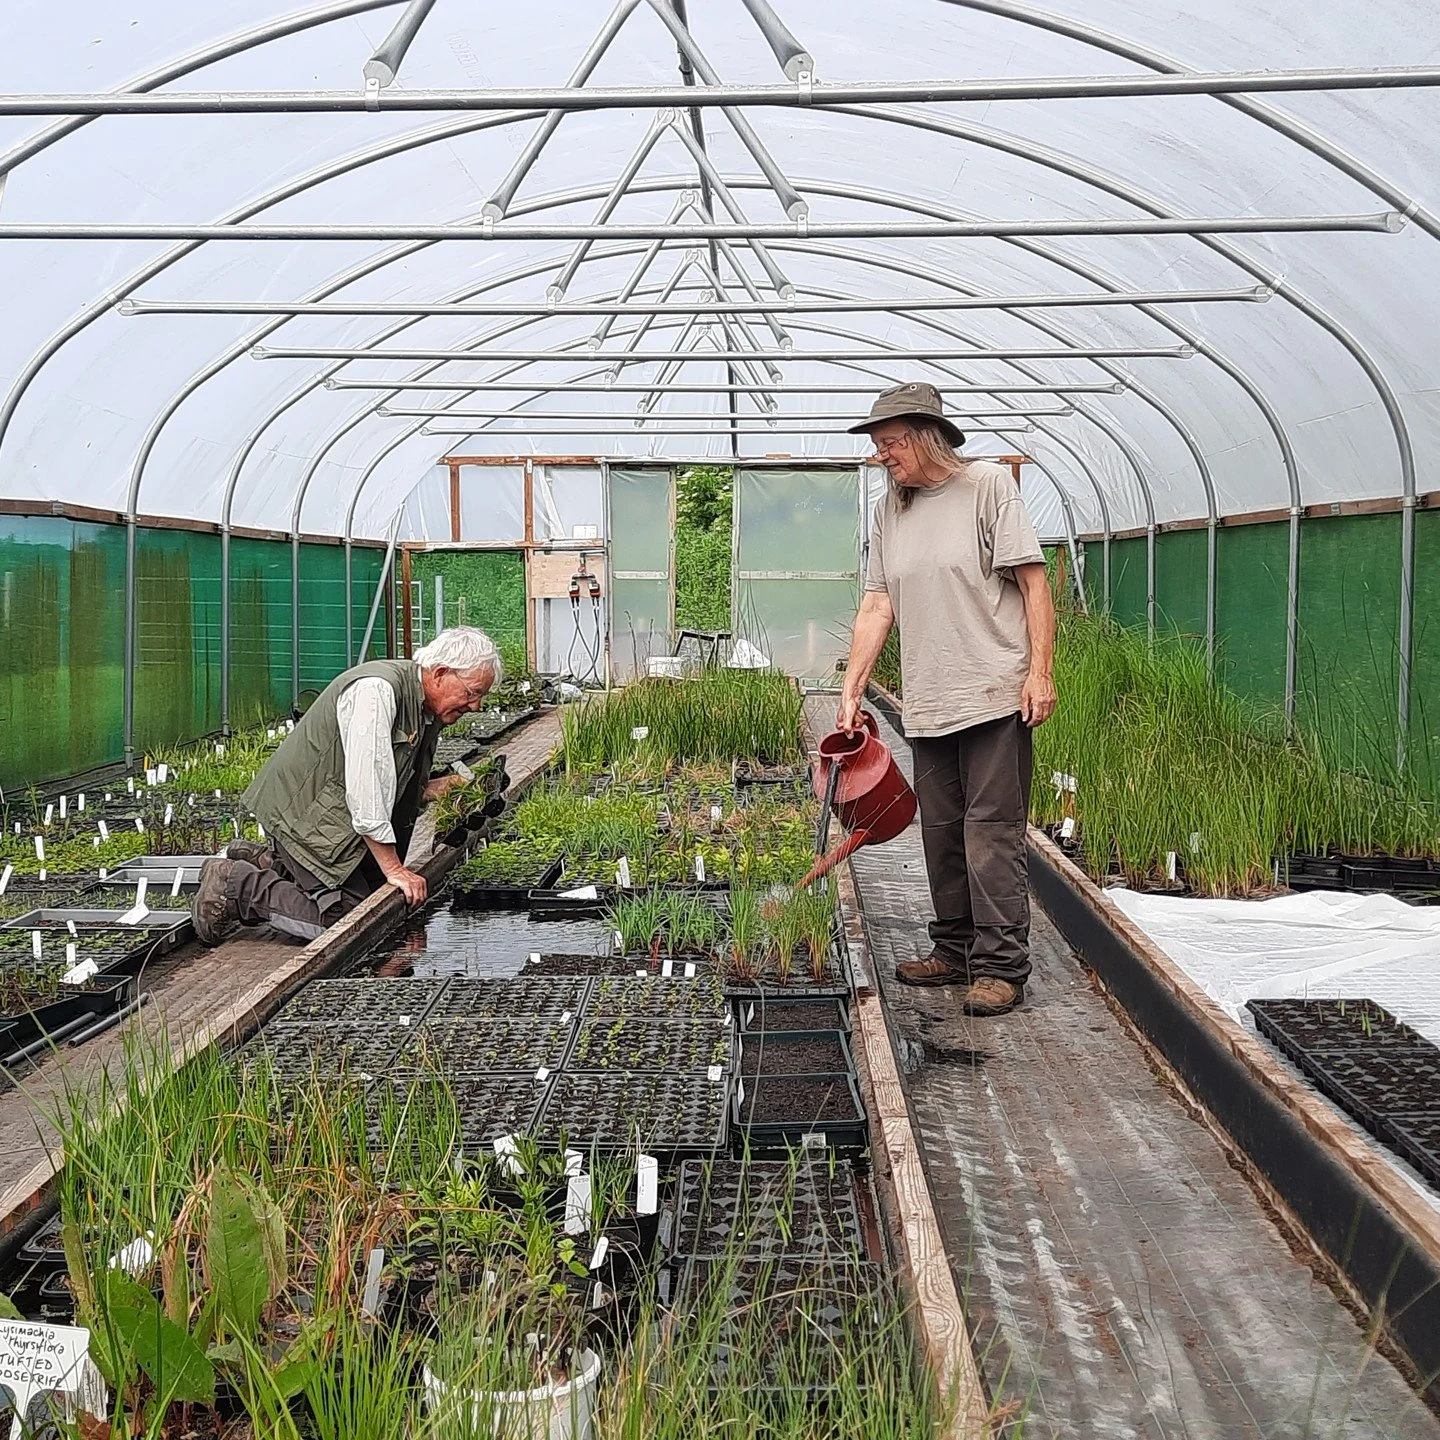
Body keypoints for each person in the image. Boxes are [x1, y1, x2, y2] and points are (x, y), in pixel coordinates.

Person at [838, 383, 1057, 1016]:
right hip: (928, 699)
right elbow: (878, 602)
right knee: (940, 833)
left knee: (990, 833)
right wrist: (852, 690)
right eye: (877, 446)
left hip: (993, 691)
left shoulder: (988, 487)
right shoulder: (891, 510)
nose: (882, 456)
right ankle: (955, 949)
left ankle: (1000, 966)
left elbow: (1034, 583)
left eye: (890, 444)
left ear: (925, 436)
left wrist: (1039, 672)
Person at [191, 627, 502, 945]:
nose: (475, 706)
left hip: (332, 824)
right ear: (440, 673)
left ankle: (269, 862)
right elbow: (367, 788)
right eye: (472, 693)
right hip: (304, 820)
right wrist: (395, 868)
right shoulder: (376, 691)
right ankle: (236, 884)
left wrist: (446, 788)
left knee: (379, 901)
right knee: (350, 925)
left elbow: (396, 781)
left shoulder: (425, 709)